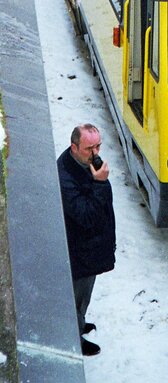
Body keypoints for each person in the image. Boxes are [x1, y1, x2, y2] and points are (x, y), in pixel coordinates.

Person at [57, 123, 116, 357]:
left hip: (89, 248)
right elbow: (86, 216)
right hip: (79, 251)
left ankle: (78, 324)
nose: (95, 153)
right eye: (89, 148)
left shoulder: (82, 164)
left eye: (98, 146)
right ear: (74, 147)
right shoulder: (66, 177)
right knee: (76, 295)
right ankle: (72, 336)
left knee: (84, 293)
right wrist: (100, 183)